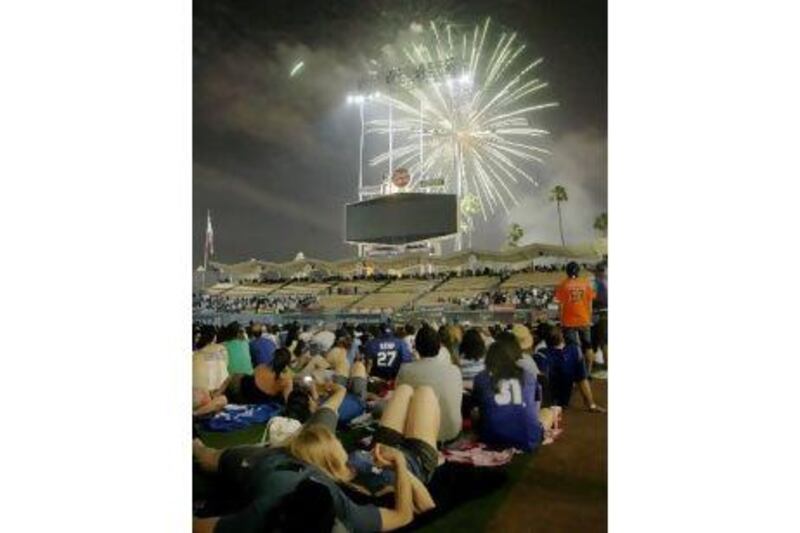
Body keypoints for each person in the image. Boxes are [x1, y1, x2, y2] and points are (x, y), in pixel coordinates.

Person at [192, 384, 428, 532]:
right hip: (263, 461)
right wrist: (398, 462)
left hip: (260, 460)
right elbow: (404, 514)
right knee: (205, 456)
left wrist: (339, 391)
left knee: (205, 456)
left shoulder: (259, 515)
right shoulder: (341, 507)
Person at [472, 339, 557, 452]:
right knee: (548, 412)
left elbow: (478, 408)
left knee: (475, 411)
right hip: (528, 439)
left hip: (490, 439)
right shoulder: (528, 376)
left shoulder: (480, 378)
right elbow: (536, 407)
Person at [397, 325, 463, 442]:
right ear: (439, 346)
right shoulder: (455, 370)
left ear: (416, 347)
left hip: (420, 439)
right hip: (452, 433)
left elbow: (400, 404)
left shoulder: (406, 370)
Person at [535, 325, 605, 412]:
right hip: (563, 400)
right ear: (562, 335)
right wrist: (592, 404)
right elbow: (582, 379)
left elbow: (540, 381)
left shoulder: (541, 353)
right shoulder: (574, 349)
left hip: (546, 403)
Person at [554, 261, 597, 373]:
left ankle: (577, 373)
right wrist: (589, 317)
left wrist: (561, 320)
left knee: (573, 349)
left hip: (568, 321)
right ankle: (588, 371)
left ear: (567, 272)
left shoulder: (563, 285)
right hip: (584, 319)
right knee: (588, 346)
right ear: (578, 271)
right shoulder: (585, 283)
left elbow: (561, 306)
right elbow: (590, 303)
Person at [592, 262, 608, 369]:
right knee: (605, 341)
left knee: (598, 341)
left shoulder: (597, 283)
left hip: (599, 314)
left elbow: (593, 299)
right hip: (606, 313)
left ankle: (592, 367)